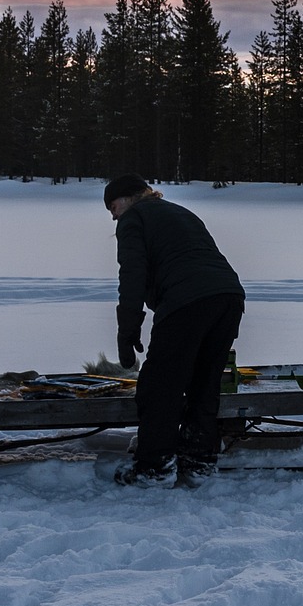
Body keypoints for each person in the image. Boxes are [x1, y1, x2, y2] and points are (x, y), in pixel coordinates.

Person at [105, 175, 246, 488]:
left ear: (127, 199)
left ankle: (154, 469)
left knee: (159, 386)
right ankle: (199, 462)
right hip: (229, 297)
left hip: (188, 301)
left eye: (112, 207)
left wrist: (127, 330)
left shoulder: (133, 219)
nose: (113, 215)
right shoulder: (179, 211)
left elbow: (132, 275)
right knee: (203, 383)